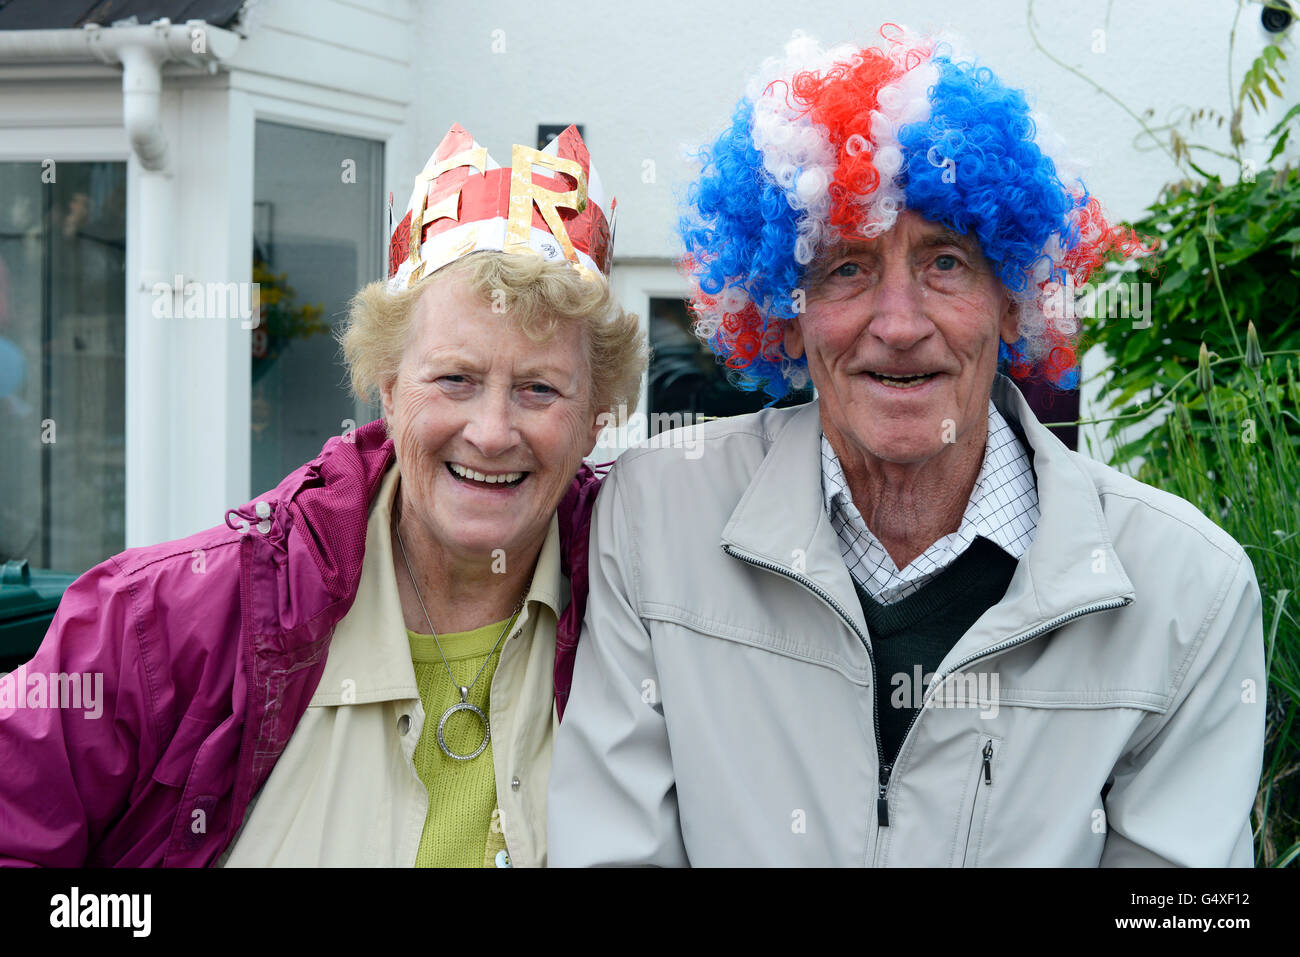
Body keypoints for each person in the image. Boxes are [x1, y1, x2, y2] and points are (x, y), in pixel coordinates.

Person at [548, 28, 1266, 866]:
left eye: (947, 262)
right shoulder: (653, 516)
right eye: (847, 267)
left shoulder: (1188, 591)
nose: (897, 323)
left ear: (1012, 298)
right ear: (787, 309)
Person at [0, 124, 645, 867]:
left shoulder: (644, 612)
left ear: (597, 414)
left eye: (539, 388)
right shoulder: (167, 620)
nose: (492, 431)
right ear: (389, 386)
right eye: (454, 379)